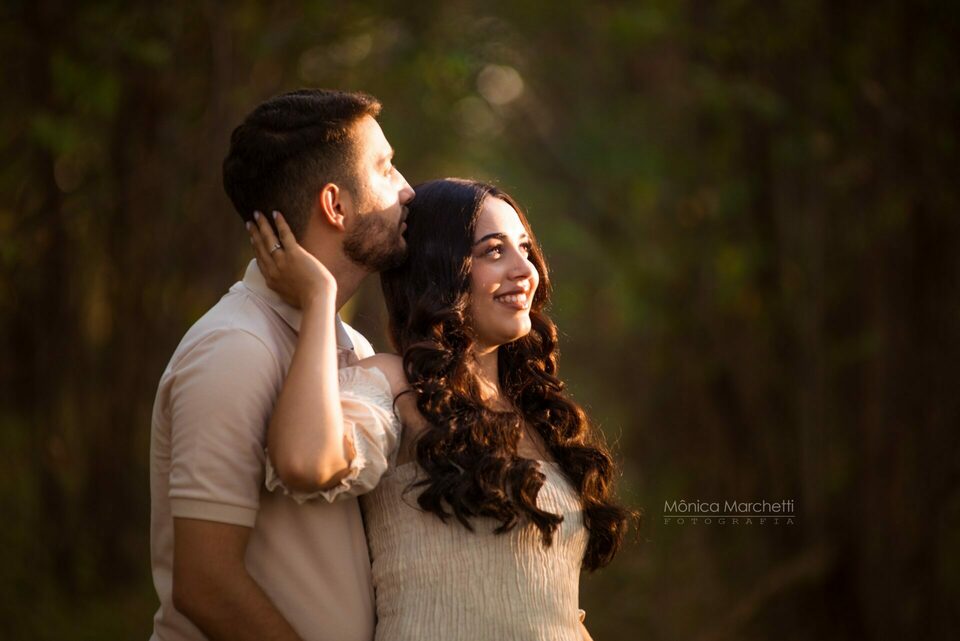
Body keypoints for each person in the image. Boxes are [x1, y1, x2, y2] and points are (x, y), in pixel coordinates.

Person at [248, 178, 630, 640]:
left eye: (525, 248)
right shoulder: (397, 384)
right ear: (439, 270)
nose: (525, 269)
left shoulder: (536, 414)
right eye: (493, 251)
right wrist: (317, 300)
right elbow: (303, 462)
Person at [148, 88, 415, 641]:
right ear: (335, 205)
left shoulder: (353, 349)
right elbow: (205, 586)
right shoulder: (232, 349)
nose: (407, 189)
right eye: (386, 169)